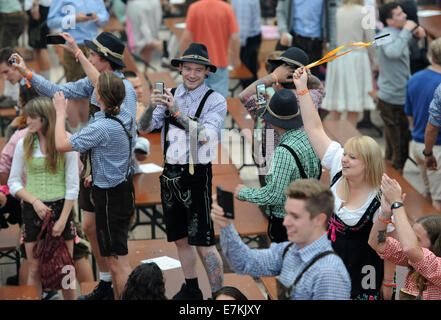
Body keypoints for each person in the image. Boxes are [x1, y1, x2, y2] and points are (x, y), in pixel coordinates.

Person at [9, 30, 137, 300]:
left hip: (113, 180)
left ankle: (115, 289)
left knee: (115, 255)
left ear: (105, 61)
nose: (86, 57)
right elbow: (59, 91)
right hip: (93, 173)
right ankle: (104, 284)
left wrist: (76, 53)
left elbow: (65, 141)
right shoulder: (96, 86)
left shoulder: (121, 89)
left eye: (91, 55)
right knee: (89, 228)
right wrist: (27, 74)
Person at [292, 66, 396, 300]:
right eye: (345, 154)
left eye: (352, 157)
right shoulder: (338, 166)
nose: (345, 159)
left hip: (364, 272)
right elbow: (314, 127)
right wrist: (302, 90)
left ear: (368, 164)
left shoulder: (381, 199)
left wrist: (388, 284)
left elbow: (389, 248)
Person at [139, 43, 226, 300]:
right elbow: (144, 129)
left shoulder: (215, 100)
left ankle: (220, 295)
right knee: (180, 239)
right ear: (179, 68)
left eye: (198, 70)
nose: (191, 74)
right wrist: (150, 105)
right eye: (187, 68)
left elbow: (207, 136)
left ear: (207, 71)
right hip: (169, 174)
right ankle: (192, 287)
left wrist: (175, 111)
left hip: (196, 175)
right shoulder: (170, 93)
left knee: (204, 242)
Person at [53, 72, 134, 300]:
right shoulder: (124, 114)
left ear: (99, 95)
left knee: (118, 262)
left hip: (109, 197)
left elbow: (61, 143)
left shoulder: (102, 127)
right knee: (115, 258)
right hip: (121, 189)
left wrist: (60, 112)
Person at [212, 178, 351, 300]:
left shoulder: (329, 273)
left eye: (295, 216)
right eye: (287, 214)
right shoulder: (289, 250)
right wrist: (226, 226)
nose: (285, 222)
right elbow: (243, 262)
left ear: (319, 220)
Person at [7, 97, 79, 300]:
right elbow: (14, 183)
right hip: (33, 210)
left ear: (45, 119)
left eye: (32, 117)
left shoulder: (66, 141)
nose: (27, 121)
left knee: (66, 267)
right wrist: (35, 201)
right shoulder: (24, 144)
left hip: (61, 208)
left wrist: (64, 218)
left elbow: (73, 185)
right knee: (34, 268)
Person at [234, 89, 322, 243]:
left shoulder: (282, 152)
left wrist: (244, 193)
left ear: (272, 121)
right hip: (307, 212)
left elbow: (274, 194)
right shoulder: (307, 138)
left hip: (286, 220)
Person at [238, 48, 325, 183]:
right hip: (303, 164)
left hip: (272, 164)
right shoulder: (310, 98)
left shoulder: (266, 97)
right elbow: (320, 88)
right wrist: (306, 75)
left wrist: (272, 77)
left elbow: (244, 95)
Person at [368, 174, 441, 299]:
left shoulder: (437, 267)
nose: (410, 240)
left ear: (435, 245)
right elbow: (377, 243)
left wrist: (397, 204)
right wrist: (385, 213)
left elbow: (410, 248)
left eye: (417, 239)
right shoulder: (411, 258)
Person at [376, 2, 426, 174]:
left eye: (403, 12)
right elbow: (393, 52)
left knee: (393, 145)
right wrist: (407, 32)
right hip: (392, 99)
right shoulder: (382, 35)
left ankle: (388, 182)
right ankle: (395, 186)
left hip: (397, 96)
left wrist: (415, 38)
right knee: (401, 149)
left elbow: (400, 48)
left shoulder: (394, 34)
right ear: (389, 21)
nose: (404, 15)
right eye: (398, 14)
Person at [47, 0, 110, 132]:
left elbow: (105, 17)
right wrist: (74, 19)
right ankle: (75, 132)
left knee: (93, 89)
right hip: (73, 44)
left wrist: (98, 18)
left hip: (94, 45)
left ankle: (88, 127)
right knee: (74, 91)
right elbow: (51, 21)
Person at [321, 0, 376, 127]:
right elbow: (371, 41)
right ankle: (349, 143)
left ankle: (332, 143)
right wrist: (376, 60)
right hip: (356, 60)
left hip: (337, 59)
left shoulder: (335, 11)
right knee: (354, 105)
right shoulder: (366, 11)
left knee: (335, 105)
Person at [405, 37, 441, 211]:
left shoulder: (414, 79)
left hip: (418, 144)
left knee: (427, 194)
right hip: (435, 149)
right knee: (438, 201)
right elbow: (433, 126)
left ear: (431, 56)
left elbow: (409, 114)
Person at [180, 0, 241, 97]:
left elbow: (185, 37)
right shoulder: (227, 9)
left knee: (196, 98)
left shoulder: (194, 8)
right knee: (218, 101)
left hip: (198, 63)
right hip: (219, 63)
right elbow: (235, 38)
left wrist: (182, 60)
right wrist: (236, 59)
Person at [275, 0, 338, 78]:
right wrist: (283, 31)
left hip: (316, 45)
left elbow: (332, 18)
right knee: (289, 80)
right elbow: (280, 10)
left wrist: (333, 45)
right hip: (294, 41)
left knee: (311, 82)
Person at [231, 0, 262, 88]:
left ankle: (259, 100)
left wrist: (236, 50)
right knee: (253, 74)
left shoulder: (242, 2)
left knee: (248, 77)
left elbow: (242, 29)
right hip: (250, 38)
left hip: (247, 41)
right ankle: (260, 99)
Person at [126, 0, 163, 64]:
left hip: (140, 36)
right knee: (150, 50)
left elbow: (143, 24)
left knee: (147, 50)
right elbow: (158, 19)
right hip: (147, 35)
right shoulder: (155, 2)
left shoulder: (133, 4)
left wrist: (150, 40)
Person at [24, 0, 53, 81]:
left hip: (38, 9)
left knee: (42, 48)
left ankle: (46, 81)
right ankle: (42, 80)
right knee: (37, 48)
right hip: (36, 8)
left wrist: (35, 6)